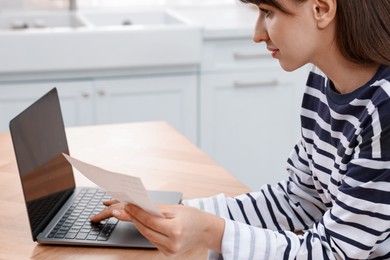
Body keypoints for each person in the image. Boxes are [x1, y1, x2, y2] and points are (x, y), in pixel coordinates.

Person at [91, 0, 390, 258]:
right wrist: (165, 213)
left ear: (321, 9)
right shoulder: (322, 84)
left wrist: (211, 231)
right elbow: (299, 200)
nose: (257, 34)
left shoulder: (384, 111)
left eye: (268, 12)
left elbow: (334, 252)